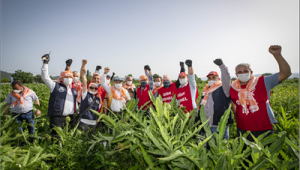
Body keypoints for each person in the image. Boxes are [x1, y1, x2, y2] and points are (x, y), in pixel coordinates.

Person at [230, 45, 291, 142]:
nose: (243, 73)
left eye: (246, 71)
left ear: (251, 72)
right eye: (240, 72)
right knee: (245, 155)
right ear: (236, 75)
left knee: (264, 155)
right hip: (243, 128)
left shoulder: (263, 82)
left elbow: (285, 73)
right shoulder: (233, 87)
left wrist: (277, 55)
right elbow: (234, 104)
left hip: (263, 128)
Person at [41, 53, 78, 137]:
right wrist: (45, 63)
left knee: (67, 138)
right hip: (57, 118)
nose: (68, 79)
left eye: (70, 77)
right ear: (61, 78)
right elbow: (45, 77)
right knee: (57, 139)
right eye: (66, 77)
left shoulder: (74, 89)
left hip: (70, 118)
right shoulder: (55, 86)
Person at [198, 58, 233, 140]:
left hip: (219, 126)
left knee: (220, 149)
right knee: (208, 149)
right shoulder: (205, 90)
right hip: (206, 125)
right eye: (209, 78)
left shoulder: (224, 88)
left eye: (214, 77)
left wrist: (222, 67)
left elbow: (227, 80)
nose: (211, 79)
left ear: (219, 79)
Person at [78, 60, 102, 135]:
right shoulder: (85, 94)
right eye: (91, 87)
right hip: (84, 121)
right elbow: (84, 81)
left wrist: (98, 119)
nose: (93, 89)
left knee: (90, 140)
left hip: (93, 122)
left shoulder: (98, 97)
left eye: (95, 88)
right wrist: (84, 70)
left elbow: (98, 109)